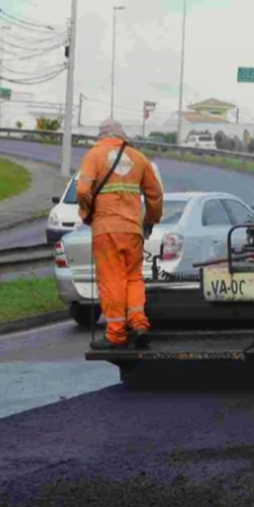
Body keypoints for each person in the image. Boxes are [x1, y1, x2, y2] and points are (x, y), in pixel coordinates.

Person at [77, 117, 163, 350]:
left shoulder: (95, 155)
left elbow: (83, 189)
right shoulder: (138, 157)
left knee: (113, 279)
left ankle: (115, 334)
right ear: (122, 135)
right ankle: (139, 323)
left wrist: (86, 213)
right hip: (133, 229)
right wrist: (150, 220)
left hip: (107, 230)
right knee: (134, 277)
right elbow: (155, 194)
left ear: (102, 135)